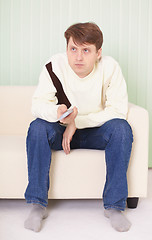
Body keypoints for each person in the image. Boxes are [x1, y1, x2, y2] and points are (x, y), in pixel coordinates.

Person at [24, 22, 133, 232]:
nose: (78, 57)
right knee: (37, 127)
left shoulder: (110, 67)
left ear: (98, 52)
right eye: (73, 49)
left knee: (122, 129)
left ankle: (114, 207)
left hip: (96, 132)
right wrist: (57, 114)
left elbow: (118, 110)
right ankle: (37, 205)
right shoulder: (53, 65)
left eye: (86, 50)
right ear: (67, 49)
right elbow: (37, 105)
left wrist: (77, 122)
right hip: (61, 131)